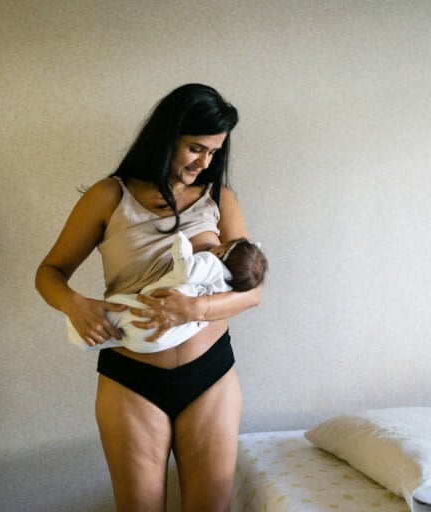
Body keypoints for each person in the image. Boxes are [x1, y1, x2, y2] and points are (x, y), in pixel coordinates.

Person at [35, 83, 262, 511]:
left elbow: (251, 292)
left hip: (209, 375)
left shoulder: (219, 199)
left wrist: (194, 308)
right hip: (131, 379)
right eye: (196, 148)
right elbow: (49, 273)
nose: (205, 162)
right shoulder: (108, 196)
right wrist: (74, 303)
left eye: (214, 152)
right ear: (167, 135)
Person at [66, 231, 267, 353]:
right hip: (165, 341)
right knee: (123, 325)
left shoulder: (211, 262)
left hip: (158, 327)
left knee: (120, 309)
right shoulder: (228, 284)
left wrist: (182, 249)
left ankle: (84, 337)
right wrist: (72, 303)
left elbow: (187, 272)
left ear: (221, 251)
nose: (205, 163)